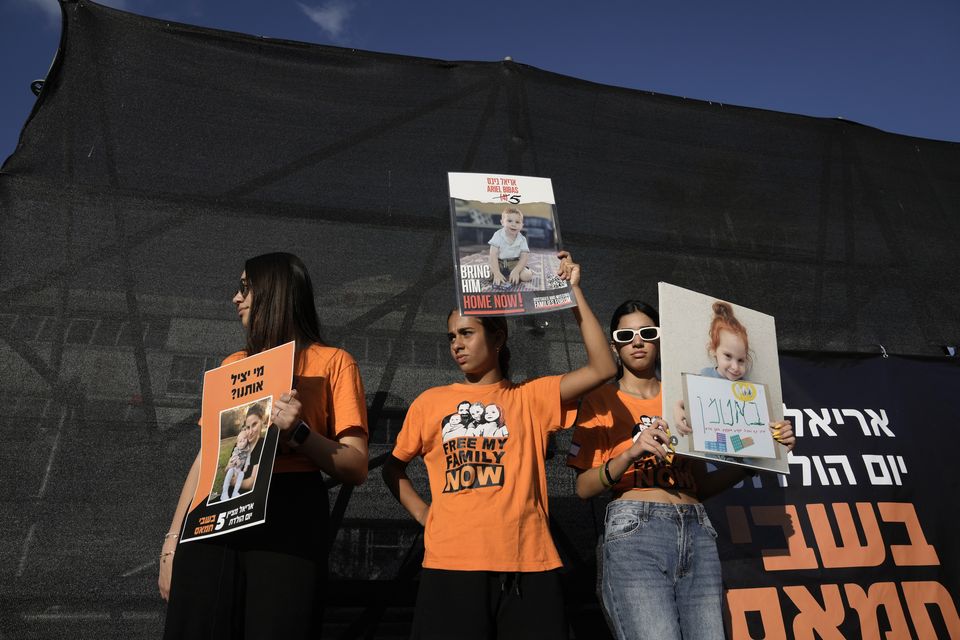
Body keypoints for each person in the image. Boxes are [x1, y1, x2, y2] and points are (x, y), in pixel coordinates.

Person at [382, 252, 616, 640]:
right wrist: (424, 514)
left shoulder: (531, 397)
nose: (456, 344)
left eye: (467, 333)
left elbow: (603, 368)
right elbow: (393, 467)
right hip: (450, 564)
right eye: (451, 336)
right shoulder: (429, 402)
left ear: (498, 337)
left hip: (528, 564)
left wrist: (573, 291)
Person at [159, 252, 369, 639]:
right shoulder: (234, 364)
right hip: (217, 509)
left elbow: (356, 466)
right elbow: (207, 458)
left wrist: (301, 433)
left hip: (289, 513)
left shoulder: (335, 363)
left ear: (275, 293)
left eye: (244, 288)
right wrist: (172, 544)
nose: (235, 299)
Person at [567, 300, 795, 640]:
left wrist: (761, 454)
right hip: (635, 530)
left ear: (661, 340)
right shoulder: (601, 401)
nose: (637, 341)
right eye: (626, 334)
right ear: (614, 344)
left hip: (697, 528)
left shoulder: (690, 393)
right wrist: (631, 452)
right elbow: (583, 488)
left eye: (647, 332)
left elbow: (700, 485)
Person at [488, 207, 533, 286]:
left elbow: (524, 257)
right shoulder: (497, 235)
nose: (513, 224)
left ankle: (513, 274)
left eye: (517, 222)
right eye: (509, 221)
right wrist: (496, 272)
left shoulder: (522, 239)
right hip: (499, 262)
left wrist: (516, 271)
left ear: (522, 225)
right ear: (502, 222)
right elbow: (493, 255)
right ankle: (500, 275)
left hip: (515, 263)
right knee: (487, 274)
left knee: (527, 276)